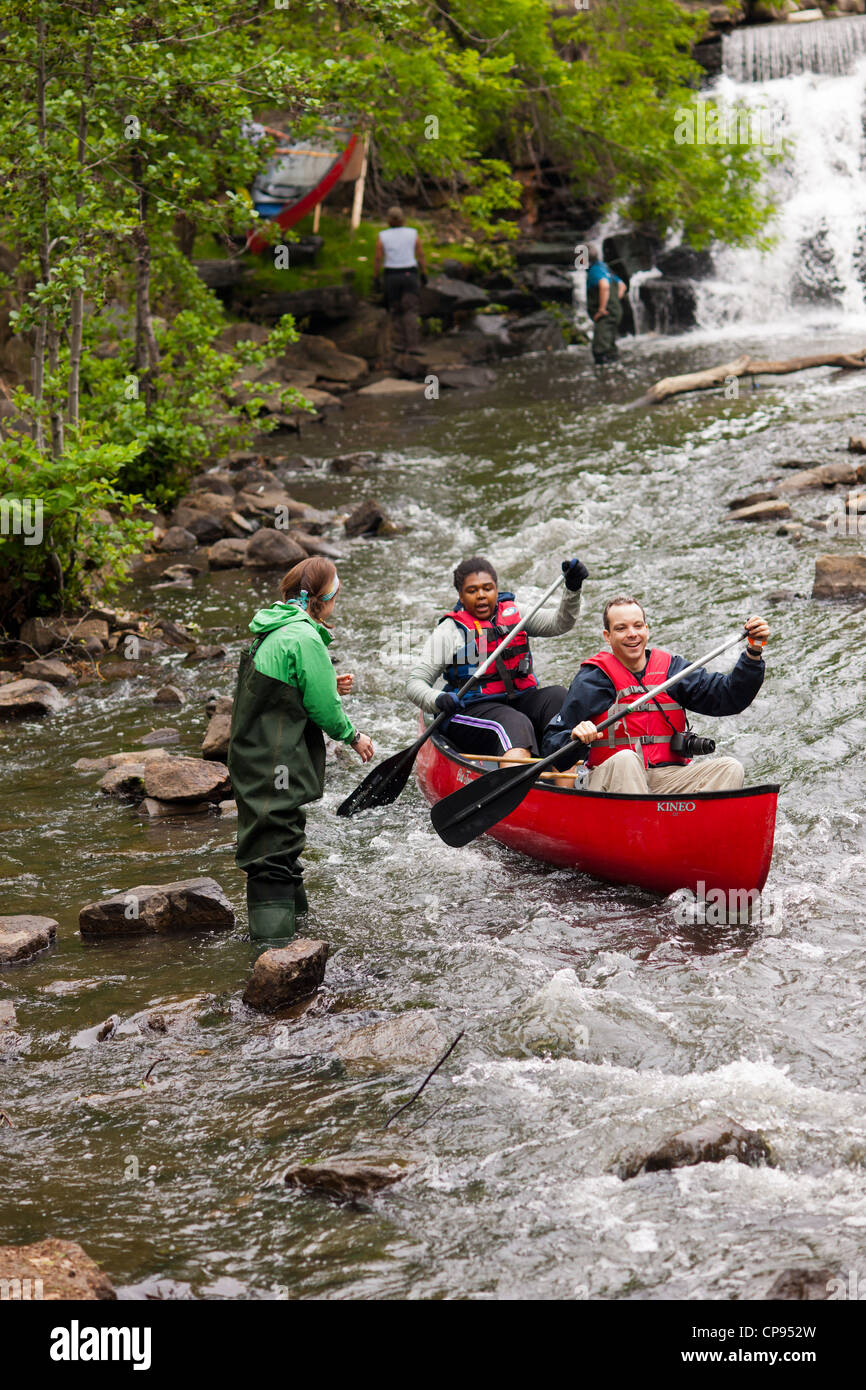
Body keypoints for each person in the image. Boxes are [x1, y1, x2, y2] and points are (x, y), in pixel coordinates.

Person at [228, 557, 374, 940]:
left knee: (279, 841)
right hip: (274, 759)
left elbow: (298, 689)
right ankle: (271, 952)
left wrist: (327, 681)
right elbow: (324, 711)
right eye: (337, 593)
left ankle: (295, 939)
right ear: (325, 598)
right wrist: (354, 736)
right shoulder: (306, 637)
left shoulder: (275, 625)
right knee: (273, 851)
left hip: (253, 755)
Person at [541, 596, 770, 794]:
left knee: (730, 767)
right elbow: (555, 748)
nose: (632, 634)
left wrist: (753, 653)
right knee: (626, 759)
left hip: (667, 778)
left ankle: (701, 835)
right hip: (610, 779)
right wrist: (575, 737)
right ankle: (637, 837)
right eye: (621, 628)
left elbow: (729, 697)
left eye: (638, 626)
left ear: (647, 630)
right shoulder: (593, 679)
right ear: (607, 636)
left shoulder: (673, 670)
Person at [406, 555, 588, 763]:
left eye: (487, 588)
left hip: (519, 700)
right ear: (461, 596)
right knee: (513, 723)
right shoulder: (449, 631)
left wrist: (573, 589)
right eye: (472, 591)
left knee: (558, 697)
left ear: (496, 588)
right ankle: (516, 778)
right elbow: (415, 683)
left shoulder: (517, 613)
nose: (481, 596)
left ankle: (569, 773)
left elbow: (560, 623)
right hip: (471, 710)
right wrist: (437, 699)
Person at [373, 205, 428, 373]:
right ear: (403, 219)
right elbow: (420, 254)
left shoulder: (382, 236)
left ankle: (399, 344)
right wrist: (424, 272)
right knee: (410, 310)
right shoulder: (413, 233)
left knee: (396, 310)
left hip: (391, 276)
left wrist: (375, 277)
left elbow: (378, 257)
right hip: (409, 275)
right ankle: (412, 345)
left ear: (389, 220)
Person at [586, 244, 626, 365]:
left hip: (606, 313)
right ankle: (614, 371)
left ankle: (604, 375)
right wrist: (614, 302)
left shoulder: (595, 270)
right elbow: (622, 286)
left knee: (600, 349)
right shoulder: (605, 268)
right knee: (610, 345)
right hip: (615, 311)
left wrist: (602, 308)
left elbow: (604, 286)